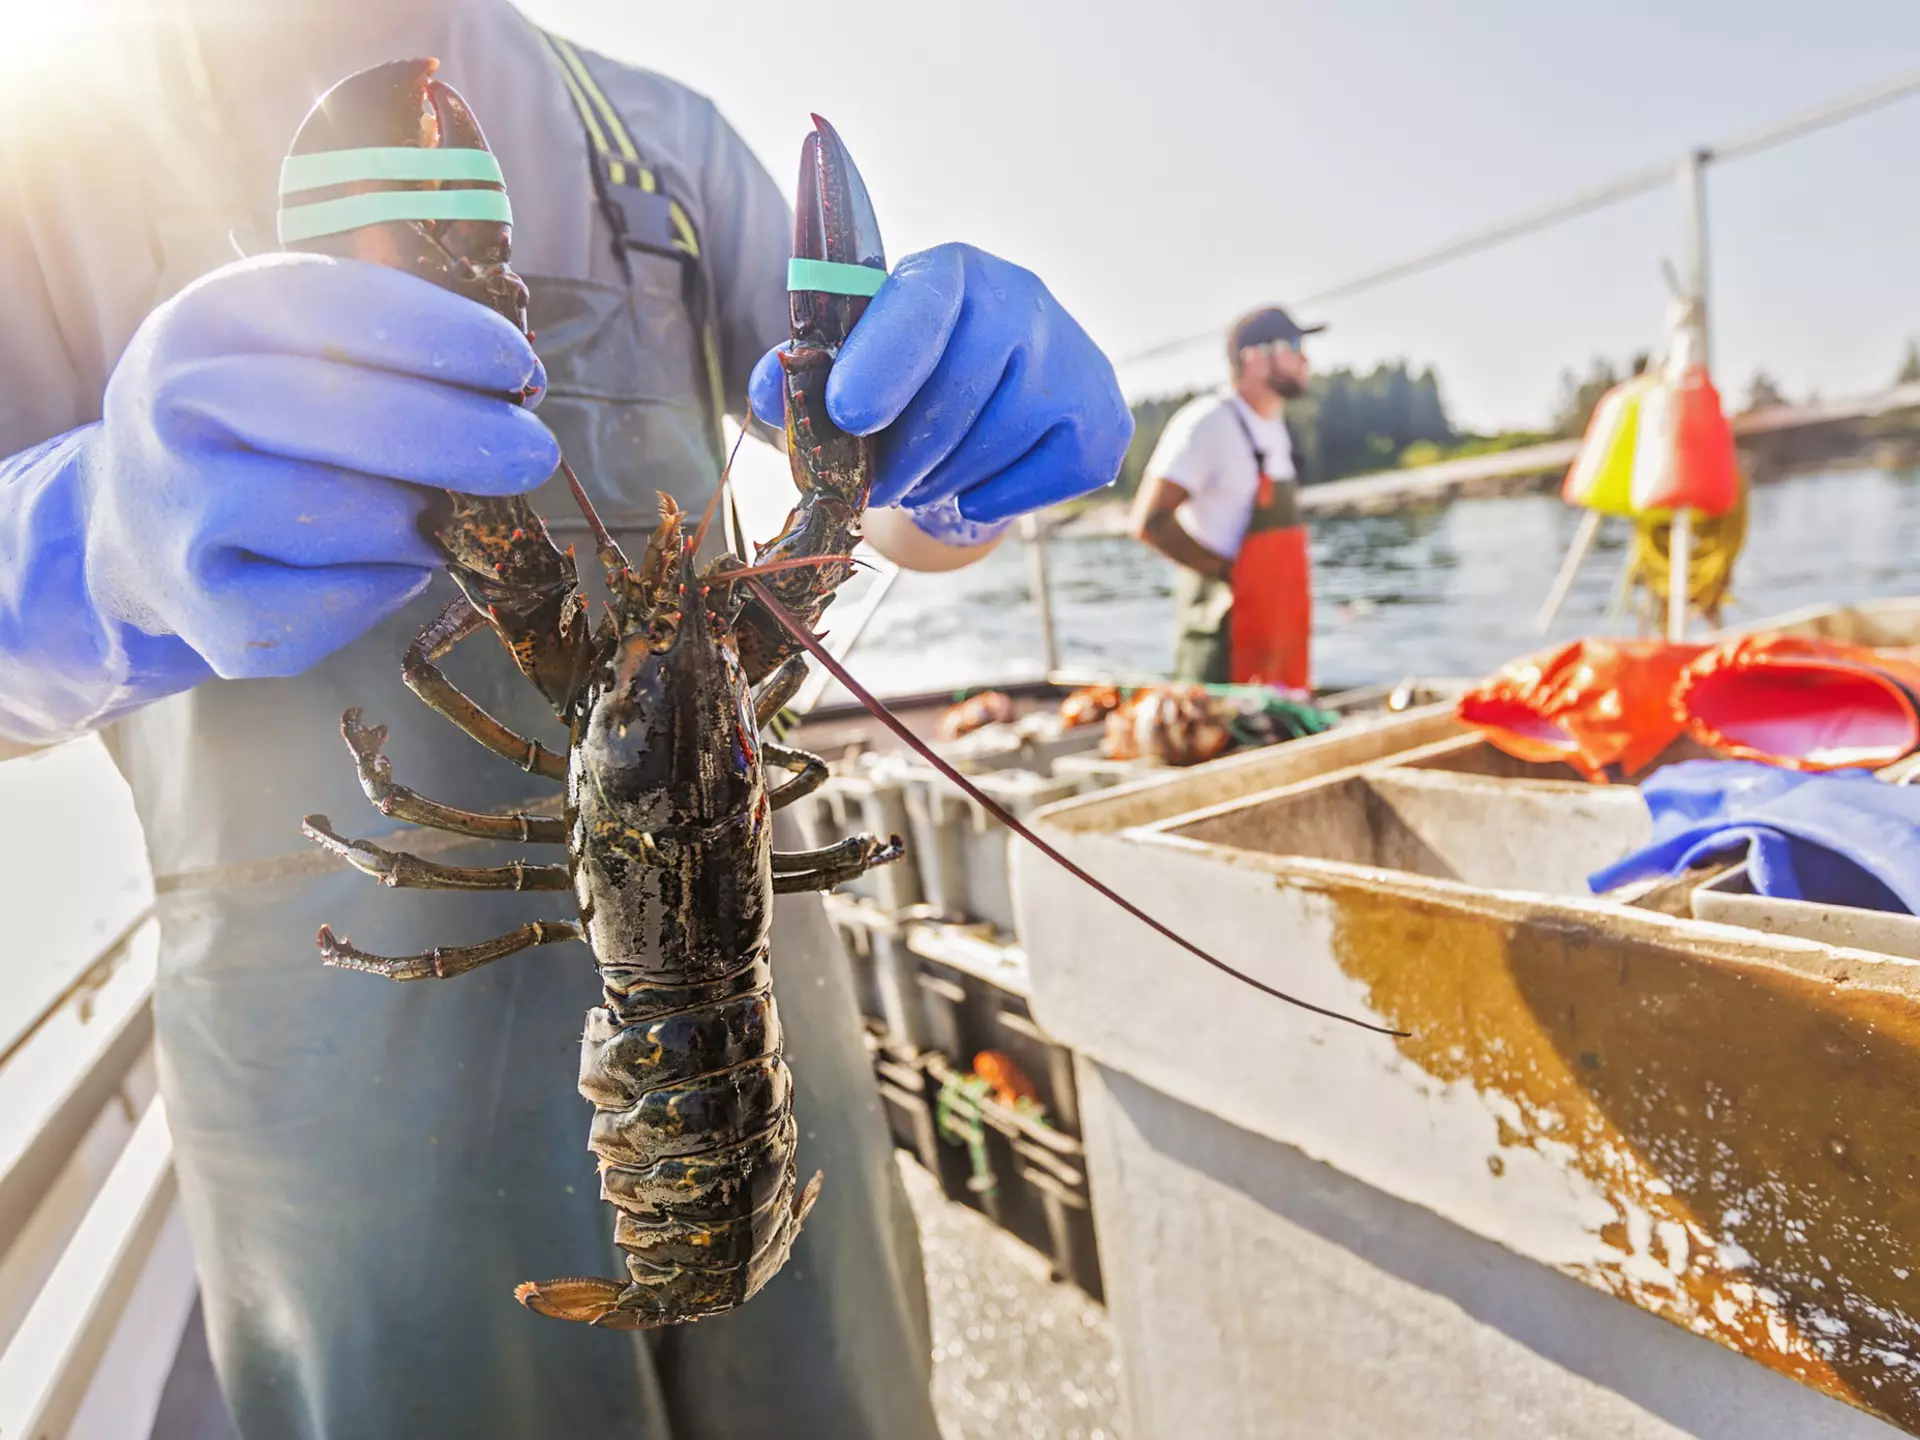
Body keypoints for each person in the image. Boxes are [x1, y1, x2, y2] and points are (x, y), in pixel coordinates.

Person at [0, 4, 1132, 1437]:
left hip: (764, 1035)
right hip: (343, 1093)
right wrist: (86, 543)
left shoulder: (652, 139)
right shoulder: (45, 147)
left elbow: (888, 499)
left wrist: (959, 463)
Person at [1129, 305, 1320, 689]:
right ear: (1254, 358)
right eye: (1293, 344)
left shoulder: (1273, 426)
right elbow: (1148, 521)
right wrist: (1229, 573)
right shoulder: (1208, 422)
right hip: (1224, 641)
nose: (1305, 358)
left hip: (1279, 639)